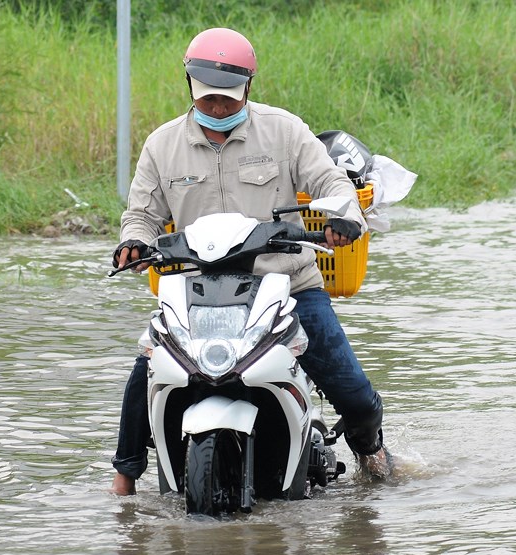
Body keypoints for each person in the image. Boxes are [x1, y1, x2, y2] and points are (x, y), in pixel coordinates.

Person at [109, 27, 391, 496]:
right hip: (195, 291)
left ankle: (373, 454)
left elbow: (331, 181)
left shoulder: (284, 130)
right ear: (190, 88)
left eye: (228, 100)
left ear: (248, 88)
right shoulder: (161, 145)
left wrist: (345, 216)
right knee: (146, 375)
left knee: (355, 395)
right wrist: (134, 242)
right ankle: (122, 488)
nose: (218, 108)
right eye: (208, 100)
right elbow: (141, 214)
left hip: (287, 286)